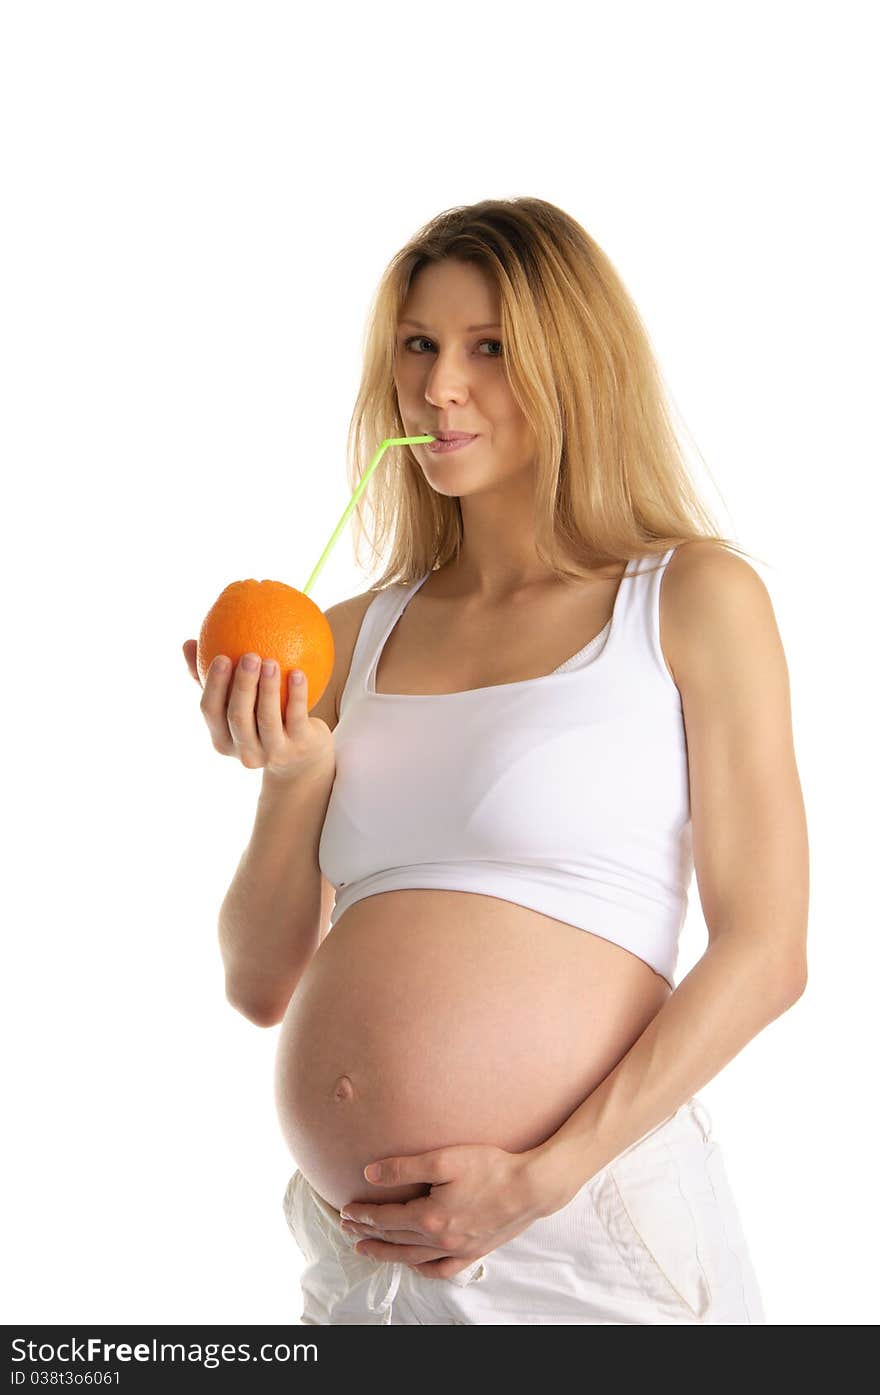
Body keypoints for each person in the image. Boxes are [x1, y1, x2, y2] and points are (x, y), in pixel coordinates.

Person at [183, 197, 808, 1324]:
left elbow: (765, 953)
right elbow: (257, 984)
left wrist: (540, 1180)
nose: (438, 388)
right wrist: (295, 780)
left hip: (582, 1228)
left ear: (575, 366)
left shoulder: (690, 600)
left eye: (489, 349)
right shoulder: (348, 631)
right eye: (418, 345)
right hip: (367, 1267)